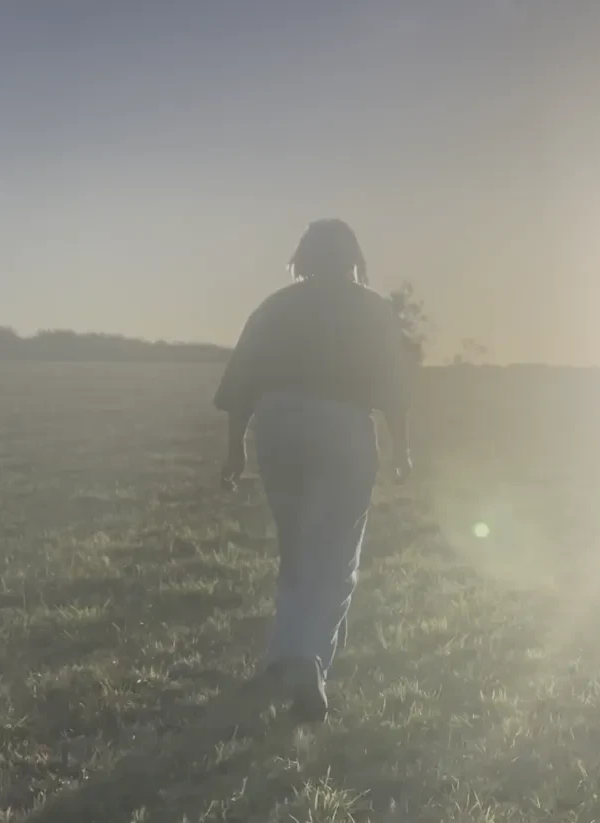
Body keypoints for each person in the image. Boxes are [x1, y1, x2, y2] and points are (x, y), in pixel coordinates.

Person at [214, 219, 414, 723]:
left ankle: (286, 658)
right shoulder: (373, 310)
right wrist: (401, 448)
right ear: (354, 257)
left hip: (277, 423)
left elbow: (242, 379)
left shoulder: (275, 307)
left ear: (303, 257)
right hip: (343, 426)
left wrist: (235, 446)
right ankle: (306, 661)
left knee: (298, 547)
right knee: (336, 552)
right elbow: (394, 387)